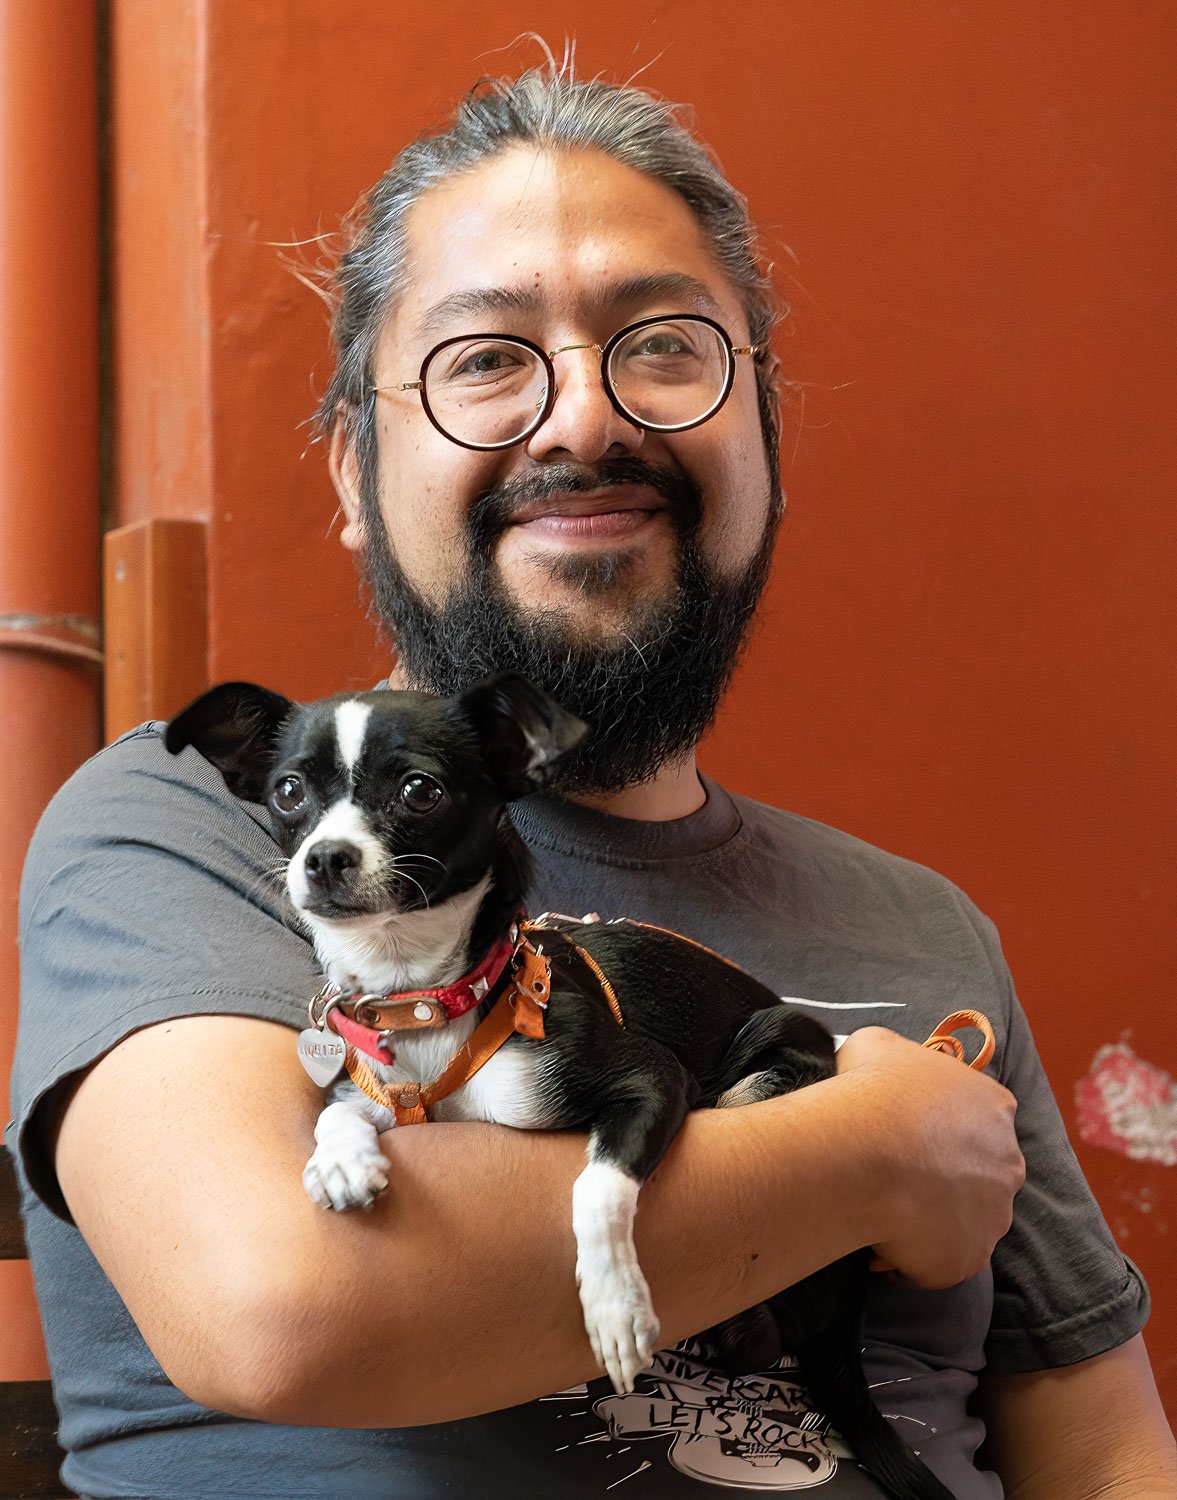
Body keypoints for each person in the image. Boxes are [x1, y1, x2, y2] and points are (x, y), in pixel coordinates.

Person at [8, 59, 1174, 1500]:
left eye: (665, 345)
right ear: (353, 473)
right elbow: (284, 1302)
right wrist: (868, 1146)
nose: (579, 419)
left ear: (764, 436)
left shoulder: (924, 925)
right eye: (485, 359)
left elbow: (1107, 1452)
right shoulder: (201, 829)